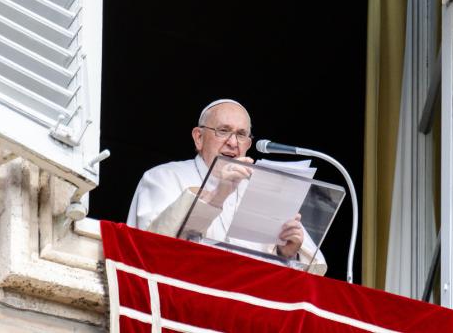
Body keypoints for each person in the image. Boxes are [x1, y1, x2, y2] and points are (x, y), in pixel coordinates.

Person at [127, 99, 327, 275]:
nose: (232, 143)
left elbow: (313, 270)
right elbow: (152, 248)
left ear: (248, 144)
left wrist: (287, 253)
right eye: (223, 131)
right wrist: (217, 196)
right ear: (199, 137)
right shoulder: (163, 177)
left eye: (241, 135)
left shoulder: (266, 190)